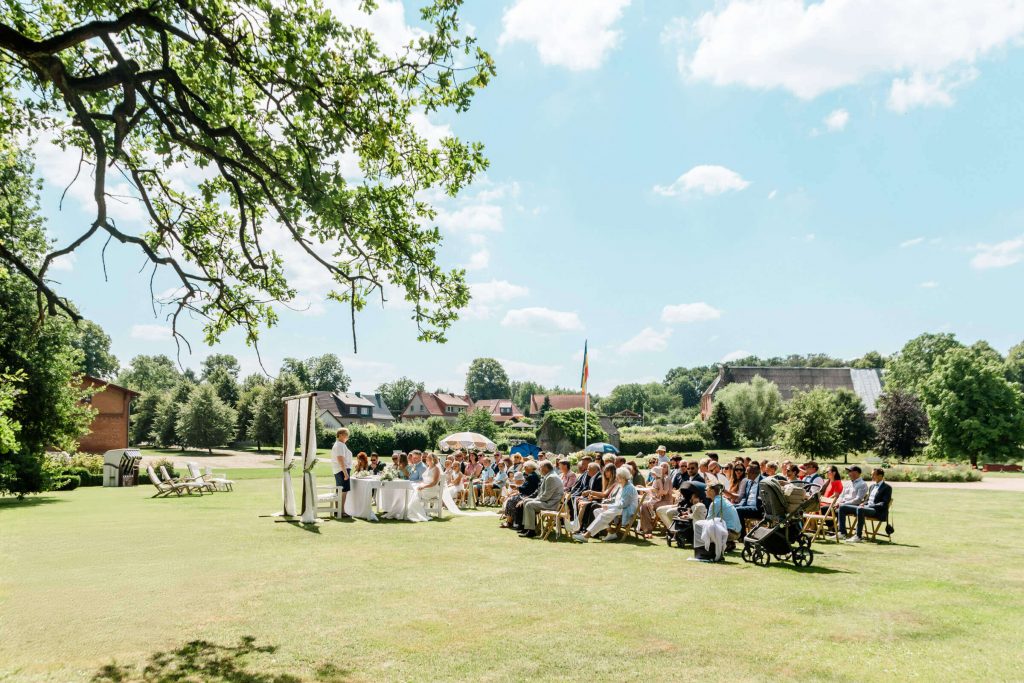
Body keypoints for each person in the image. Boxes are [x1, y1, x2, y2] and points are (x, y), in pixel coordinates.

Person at [572, 467, 638, 543]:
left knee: (603, 515)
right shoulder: (622, 486)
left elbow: (623, 504)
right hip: (619, 508)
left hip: (627, 509)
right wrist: (607, 504)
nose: (616, 477)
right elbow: (617, 501)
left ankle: (586, 535)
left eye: (618, 476)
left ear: (623, 477)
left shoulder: (629, 487)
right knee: (597, 511)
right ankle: (611, 532)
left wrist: (609, 506)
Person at [840, 468, 892, 542]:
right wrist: (863, 503)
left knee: (860, 509)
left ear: (880, 476)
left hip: (877, 511)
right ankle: (842, 533)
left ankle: (858, 536)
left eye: (874, 474)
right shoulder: (872, 486)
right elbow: (867, 500)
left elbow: (883, 503)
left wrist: (868, 506)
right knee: (843, 507)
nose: (872, 476)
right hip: (866, 508)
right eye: (871, 474)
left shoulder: (887, 488)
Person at [520, 461, 566, 537]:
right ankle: (527, 527)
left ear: (545, 469)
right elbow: (542, 493)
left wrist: (534, 500)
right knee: (526, 501)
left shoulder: (551, 477)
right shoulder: (549, 475)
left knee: (529, 504)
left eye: (540, 468)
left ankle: (531, 531)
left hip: (551, 504)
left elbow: (546, 496)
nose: (539, 469)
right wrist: (532, 499)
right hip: (548, 501)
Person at [575, 463, 617, 531]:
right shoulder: (607, 481)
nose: (605, 473)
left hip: (610, 504)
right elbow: (604, 495)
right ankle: (580, 526)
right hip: (605, 501)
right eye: (605, 471)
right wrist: (594, 497)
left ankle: (582, 527)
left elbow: (604, 495)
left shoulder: (614, 482)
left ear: (612, 472)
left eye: (607, 471)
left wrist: (590, 492)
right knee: (583, 503)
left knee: (587, 505)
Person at [639, 463, 674, 538]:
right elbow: (651, 487)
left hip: (666, 501)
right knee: (644, 504)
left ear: (668, 469)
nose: (663, 468)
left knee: (648, 505)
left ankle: (649, 526)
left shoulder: (667, 478)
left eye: (665, 467)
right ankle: (647, 530)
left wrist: (654, 491)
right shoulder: (657, 478)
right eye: (661, 466)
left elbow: (665, 492)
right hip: (658, 500)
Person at [502, 460, 540, 530]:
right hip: (527, 494)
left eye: (525, 467)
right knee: (511, 499)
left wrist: (517, 487)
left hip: (528, 495)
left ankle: (510, 522)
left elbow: (527, 489)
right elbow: (526, 487)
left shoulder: (531, 476)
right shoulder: (532, 475)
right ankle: (511, 521)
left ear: (530, 467)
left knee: (511, 501)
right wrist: (518, 488)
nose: (524, 468)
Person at [706, 483, 742, 549]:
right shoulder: (724, 500)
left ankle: (723, 543)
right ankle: (727, 543)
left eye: (707, 489)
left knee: (705, 529)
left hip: (730, 533)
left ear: (712, 491)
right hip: (737, 533)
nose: (705, 491)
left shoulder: (715, 502)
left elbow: (708, 521)